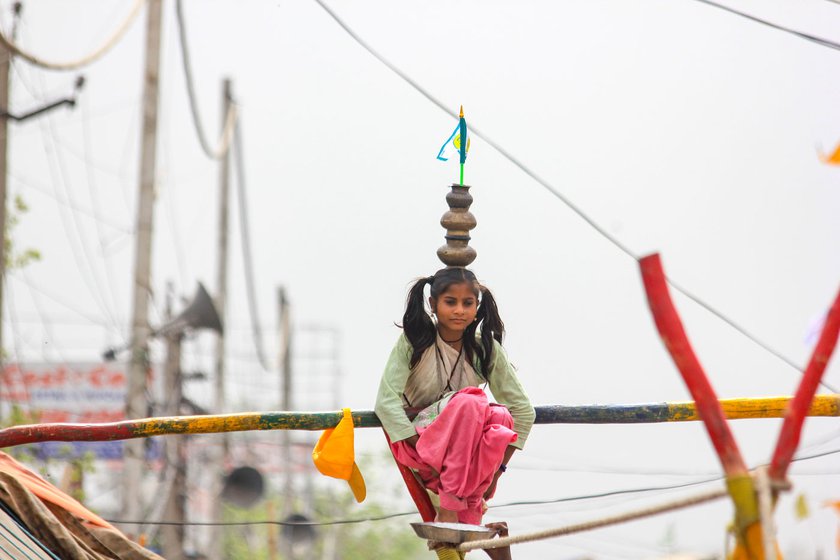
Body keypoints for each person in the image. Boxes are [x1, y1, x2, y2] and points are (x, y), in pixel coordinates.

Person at [375, 267, 535, 555]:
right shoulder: (416, 342)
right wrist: (426, 452)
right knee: (472, 402)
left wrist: (496, 472)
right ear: (433, 305)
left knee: (500, 417)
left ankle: (475, 531)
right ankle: (457, 515)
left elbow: (523, 411)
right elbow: (386, 403)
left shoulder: (484, 348)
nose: (460, 310)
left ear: (477, 306)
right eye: (451, 302)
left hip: (467, 462)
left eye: (467, 303)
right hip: (423, 450)